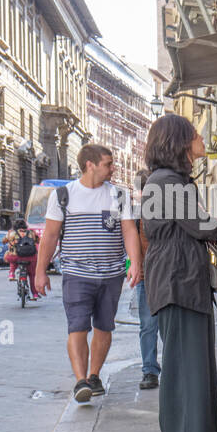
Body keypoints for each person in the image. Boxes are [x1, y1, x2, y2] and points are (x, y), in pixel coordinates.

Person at [141, 114, 217, 432]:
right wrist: (216, 224)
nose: (202, 138)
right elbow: (203, 226)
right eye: (195, 134)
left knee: (197, 359)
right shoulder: (167, 182)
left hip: (182, 279)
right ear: (180, 142)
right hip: (177, 279)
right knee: (185, 360)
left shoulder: (168, 181)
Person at [35, 146, 142, 403]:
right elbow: (50, 236)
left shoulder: (118, 195)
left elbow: (129, 231)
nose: (113, 168)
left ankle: (94, 375)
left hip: (112, 273)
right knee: (78, 326)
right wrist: (40, 271)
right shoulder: (63, 196)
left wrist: (135, 262)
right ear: (90, 165)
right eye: (108, 164)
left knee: (104, 327)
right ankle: (81, 380)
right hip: (76, 273)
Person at [134, 171, 161, 390]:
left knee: (150, 326)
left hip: (160, 275)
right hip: (147, 276)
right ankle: (150, 370)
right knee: (149, 325)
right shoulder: (136, 213)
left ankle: (152, 371)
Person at [4, 220, 42, 299]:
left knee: (11, 257)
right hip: (31, 258)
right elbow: (39, 240)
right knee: (32, 275)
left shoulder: (12, 233)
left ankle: (11, 273)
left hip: (16, 257)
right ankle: (35, 294)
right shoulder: (31, 232)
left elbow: (4, 241)